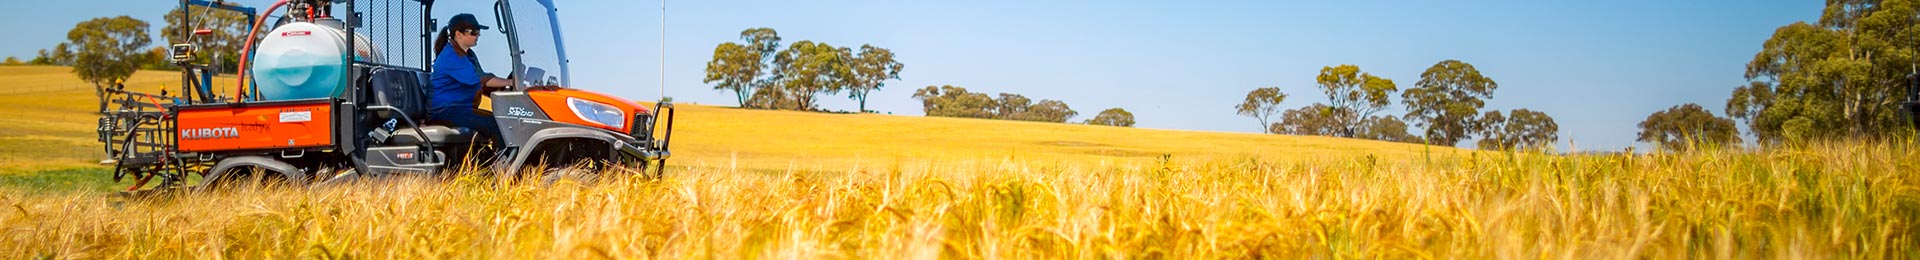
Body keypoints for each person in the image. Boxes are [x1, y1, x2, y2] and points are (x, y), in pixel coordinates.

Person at [430, 13, 511, 145]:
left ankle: (496, 159)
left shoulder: (468, 54)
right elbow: (481, 79)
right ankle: (504, 163)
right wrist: (511, 82)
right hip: (446, 111)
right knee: (497, 124)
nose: (478, 35)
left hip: (461, 108)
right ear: (458, 34)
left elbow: (483, 81)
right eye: (473, 32)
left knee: (501, 119)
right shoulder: (451, 56)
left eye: (478, 32)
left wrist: (506, 86)